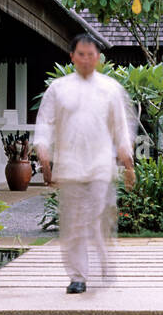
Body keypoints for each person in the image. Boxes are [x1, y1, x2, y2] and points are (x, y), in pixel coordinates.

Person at [33, 33, 136, 293]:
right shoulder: (58, 88)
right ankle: (78, 276)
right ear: (72, 56)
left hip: (100, 165)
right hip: (69, 167)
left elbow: (120, 128)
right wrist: (42, 150)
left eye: (91, 55)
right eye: (81, 54)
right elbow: (45, 122)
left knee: (99, 215)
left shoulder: (110, 88)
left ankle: (104, 257)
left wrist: (128, 162)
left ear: (98, 57)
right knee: (73, 222)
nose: (87, 60)